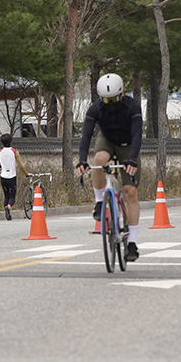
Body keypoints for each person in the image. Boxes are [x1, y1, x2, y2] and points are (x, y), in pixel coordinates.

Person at [76, 72, 143, 262]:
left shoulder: (132, 106)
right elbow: (86, 136)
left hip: (128, 144)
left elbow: (137, 135)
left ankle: (132, 243)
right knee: (98, 159)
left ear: (122, 94)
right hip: (107, 140)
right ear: (100, 98)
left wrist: (132, 159)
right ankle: (99, 201)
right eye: (106, 100)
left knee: (130, 192)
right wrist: (82, 160)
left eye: (114, 99)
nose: (110, 104)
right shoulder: (95, 109)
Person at [0, 133, 29, 220]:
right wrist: (27, 173)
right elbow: (20, 165)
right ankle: (8, 207)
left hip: (3, 177)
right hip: (12, 177)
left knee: (6, 196)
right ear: (11, 142)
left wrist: (0, 166)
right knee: (12, 197)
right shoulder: (15, 152)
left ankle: (7, 213)